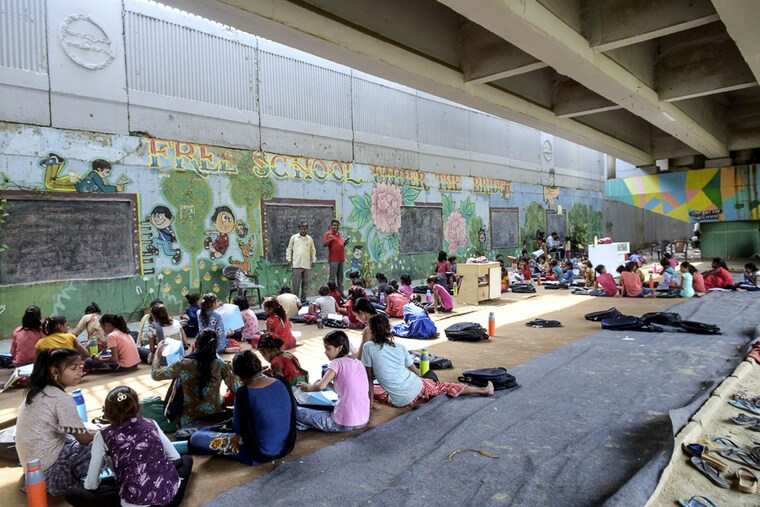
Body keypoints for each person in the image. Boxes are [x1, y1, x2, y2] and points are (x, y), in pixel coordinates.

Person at [64, 386, 193, 507]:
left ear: (107, 412)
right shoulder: (150, 423)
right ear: (137, 406)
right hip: (171, 499)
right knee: (186, 460)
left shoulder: (102, 436)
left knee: (74, 492)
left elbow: (91, 484)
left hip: (134, 502)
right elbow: (176, 458)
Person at [362, 314, 493, 408]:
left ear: (371, 331)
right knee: (444, 386)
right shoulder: (400, 348)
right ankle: (483, 390)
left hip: (400, 401)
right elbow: (417, 372)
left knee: (376, 389)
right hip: (416, 387)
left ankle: (423, 392)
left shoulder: (368, 348)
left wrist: (371, 403)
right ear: (388, 329)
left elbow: (368, 379)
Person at [189, 351, 296, 465]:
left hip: (260, 452)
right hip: (287, 446)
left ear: (238, 375)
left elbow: (238, 428)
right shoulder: (282, 382)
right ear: (259, 366)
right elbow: (294, 414)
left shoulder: (244, 393)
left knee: (196, 438)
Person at [16, 348, 94, 495]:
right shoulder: (61, 399)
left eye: (80, 367)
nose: (80, 372)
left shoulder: (37, 391)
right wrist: (103, 434)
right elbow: (84, 439)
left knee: (71, 437)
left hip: (33, 472)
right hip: (50, 474)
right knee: (101, 446)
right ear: (54, 371)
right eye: (73, 368)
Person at [151, 329, 238, 428]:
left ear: (195, 345)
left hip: (189, 421)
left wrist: (157, 353)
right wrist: (233, 371)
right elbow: (237, 389)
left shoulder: (183, 364)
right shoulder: (220, 365)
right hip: (214, 418)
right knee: (221, 399)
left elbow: (155, 374)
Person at [296, 330, 369, 433]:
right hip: (363, 419)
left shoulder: (336, 363)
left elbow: (320, 386)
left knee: (297, 413)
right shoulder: (358, 363)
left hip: (342, 423)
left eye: (328, 348)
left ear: (339, 348)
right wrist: (328, 384)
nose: (325, 352)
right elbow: (344, 390)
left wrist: (308, 388)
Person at [286, 221, 317, 303]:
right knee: (296, 284)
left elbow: (312, 250)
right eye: (302, 229)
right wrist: (289, 258)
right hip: (296, 264)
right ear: (299, 229)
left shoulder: (309, 239)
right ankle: (295, 300)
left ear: (307, 229)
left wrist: (313, 260)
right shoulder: (294, 238)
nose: (303, 230)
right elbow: (289, 249)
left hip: (306, 264)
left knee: (305, 283)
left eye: (305, 229)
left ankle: (303, 299)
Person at [323, 219, 346, 296]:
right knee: (332, 278)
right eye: (334, 225)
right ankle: (331, 293)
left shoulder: (339, 234)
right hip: (333, 259)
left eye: (337, 225)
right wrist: (329, 240)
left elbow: (339, 245)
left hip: (341, 258)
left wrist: (344, 244)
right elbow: (324, 244)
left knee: (340, 278)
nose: (335, 226)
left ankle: (341, 293)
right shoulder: (328, 234)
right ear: (331, 226)